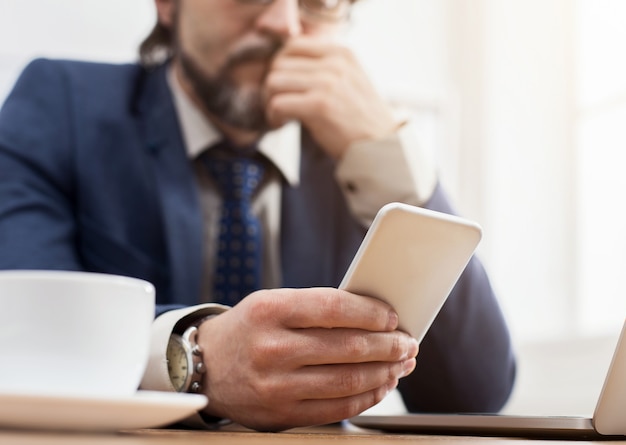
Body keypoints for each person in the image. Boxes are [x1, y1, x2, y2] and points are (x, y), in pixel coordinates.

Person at [0, 0, 515, 432]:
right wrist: (194, 356)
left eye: (318, 2)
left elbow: (475, 391)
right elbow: (26, 333)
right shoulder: (58, 104)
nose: (285, 23)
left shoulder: (361, 158)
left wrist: (390, 160)